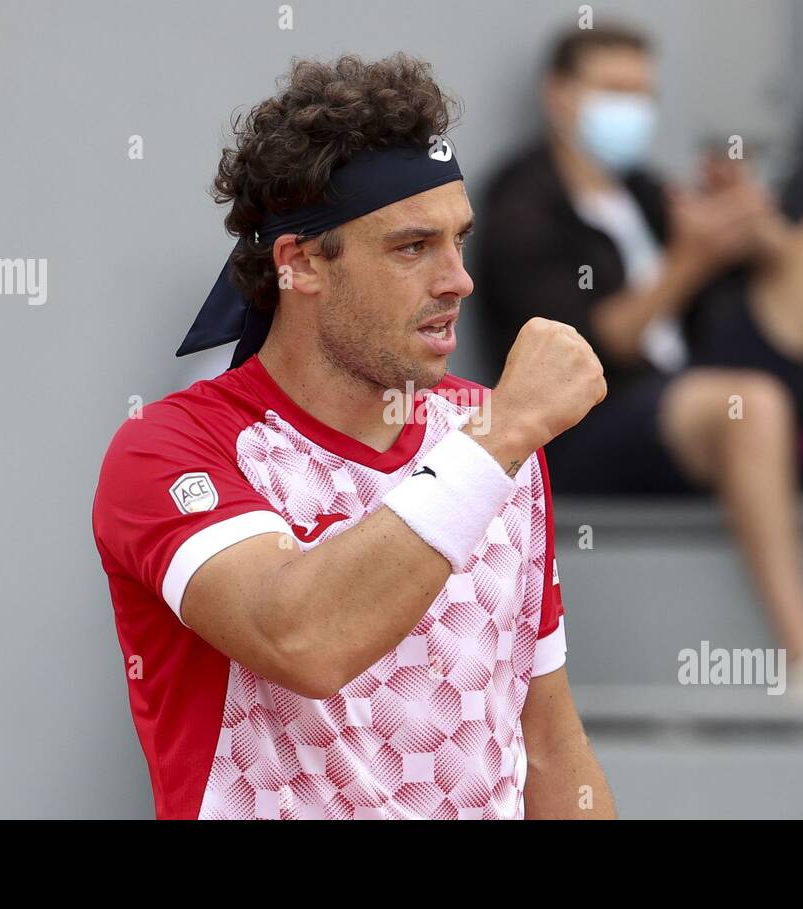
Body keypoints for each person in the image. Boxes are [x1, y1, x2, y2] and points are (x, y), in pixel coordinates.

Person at [91, 53, 616, 819]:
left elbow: (547, 745)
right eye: (412, 247)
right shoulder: (171, 447)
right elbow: (302, 637)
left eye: (459, 240)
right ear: (300, 263)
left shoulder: (494, 438)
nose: (457, 279)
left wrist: (499, 436)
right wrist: (501, 432)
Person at [476, 23, 803, 705]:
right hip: (601, 416)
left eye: (642, 94)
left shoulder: (647, 190)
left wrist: (754, 226)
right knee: (753, 404)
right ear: (560, 96)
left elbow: (731, 287)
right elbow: (588, 346)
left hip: (694, 381)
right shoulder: (524, 200)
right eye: (614, 91)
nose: (633, 111)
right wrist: (692, 259)